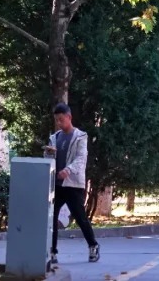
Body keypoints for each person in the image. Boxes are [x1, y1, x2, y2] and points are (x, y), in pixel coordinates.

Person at [45, 103, 99, 264]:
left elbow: (81, 159)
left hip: (73, 185)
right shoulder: (55, 138)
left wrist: (68, 170)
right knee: (51, 217)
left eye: (61, 119)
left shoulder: (80, 137)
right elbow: (49, 161)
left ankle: (93, 246)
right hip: (57, 185)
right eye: (56, 120)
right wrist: (48, 153)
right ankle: (52, 252)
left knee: (80, 217)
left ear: (69, 117)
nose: (59, 123)